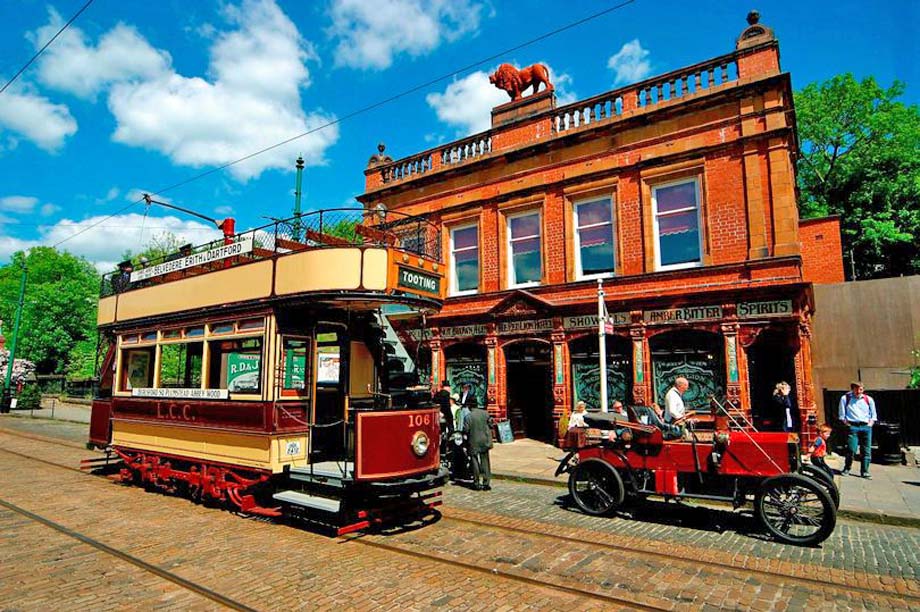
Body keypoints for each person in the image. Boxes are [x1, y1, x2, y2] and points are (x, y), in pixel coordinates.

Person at [839, 381, 877, 479]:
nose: (859, 391)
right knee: (851, 449)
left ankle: (865, 471)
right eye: (857, 389)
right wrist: (847, 424)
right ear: (852, 389)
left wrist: (870, 424)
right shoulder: (845, 398)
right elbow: (842, 415)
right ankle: (847, 468)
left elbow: (873, 414)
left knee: (866, 450)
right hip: (853, 426)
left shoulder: (868, 399)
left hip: (866, 426)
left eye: (861, 389)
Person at [463, 401, 493, 491]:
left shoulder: (468, 417)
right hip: (485, 440)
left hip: (473, 441)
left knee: (474, 462)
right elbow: (491, 424)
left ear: (469, 407)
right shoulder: (485, 413)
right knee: (485, 461)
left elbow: (466, 430)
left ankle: (476, 483)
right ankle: (486, 483)